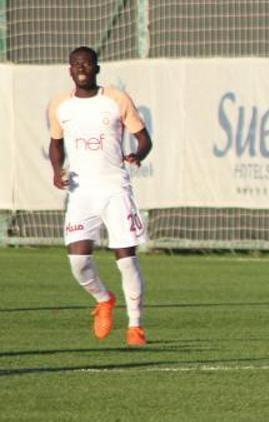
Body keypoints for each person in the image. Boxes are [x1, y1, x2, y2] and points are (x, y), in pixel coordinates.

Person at [48, 46, 153, 346]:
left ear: (97, 68)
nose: (81, 67)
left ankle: (135, 326)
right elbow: (55, 143)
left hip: (115, 189)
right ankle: (103, 299)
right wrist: (57, 170)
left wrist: (137, 155)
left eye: (87, 63)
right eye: (76, 64)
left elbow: (144, 138)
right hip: (81, 193)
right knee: (78, 262)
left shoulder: (115, 99)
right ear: (69, 69)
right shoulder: (59, 105)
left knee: (126, 259)